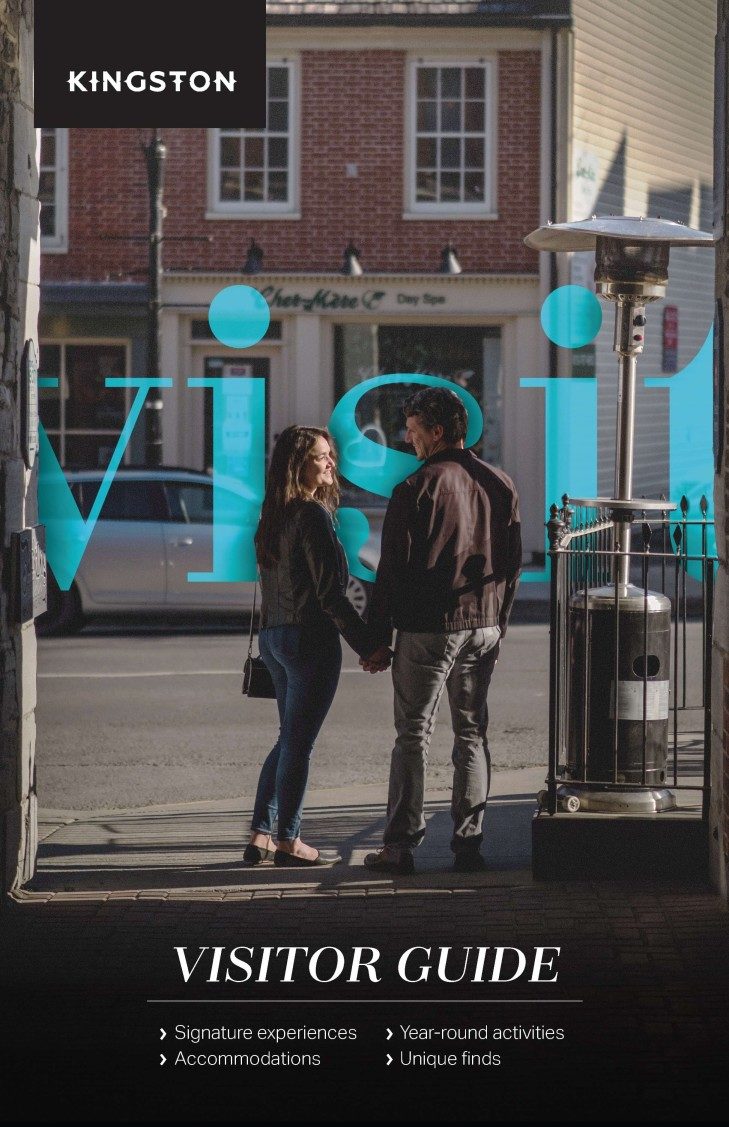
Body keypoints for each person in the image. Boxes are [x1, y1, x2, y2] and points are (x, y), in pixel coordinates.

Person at [361, 387, 521, 874]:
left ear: (436, 432)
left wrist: (375, 640)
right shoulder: (499, 482)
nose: (408, 441)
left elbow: (391, 571)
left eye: (411, 431)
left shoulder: (417, 488)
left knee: (413, 734)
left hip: (428, 627)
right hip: (483, 624)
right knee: (471, 734)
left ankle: (400, 846)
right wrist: (500, 620)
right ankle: (468, 844)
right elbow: (511, 563)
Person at [245, 425, 388, 869]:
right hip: (309, 640)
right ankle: (288, 839)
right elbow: (331, 595)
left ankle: (261, 834)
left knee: (288, 739)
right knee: (298, 745)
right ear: (298, 465)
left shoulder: (274, 514)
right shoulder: (311, 516)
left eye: (330, 456)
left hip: (275, 638)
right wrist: (369, 645)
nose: (331, 463)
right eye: (321, 456)